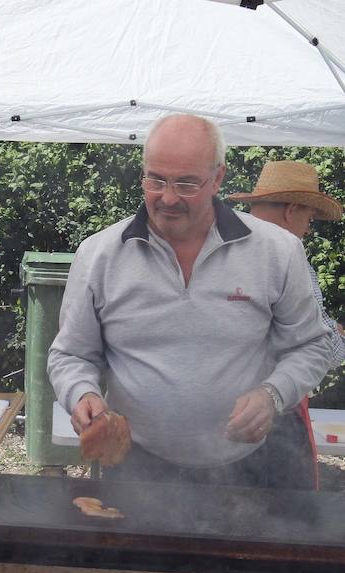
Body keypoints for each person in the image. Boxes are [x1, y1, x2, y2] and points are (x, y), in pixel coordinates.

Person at [48, 115, 333, 489]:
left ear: (217, 178)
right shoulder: (100, 255)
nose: (167, 198)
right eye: (156, 179)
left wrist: (272, 394)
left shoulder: (277, 252)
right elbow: (71, 355)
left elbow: (313, 345)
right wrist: (81, 393)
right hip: (140, 469)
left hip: (248, 470)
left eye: (186, 183)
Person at [228, 160, 344, 368]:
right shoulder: (289, 260)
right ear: (291, 210)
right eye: (309, 218)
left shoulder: (219, 245)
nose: (308, 229)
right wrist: (338, 334)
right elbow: (325, 349)